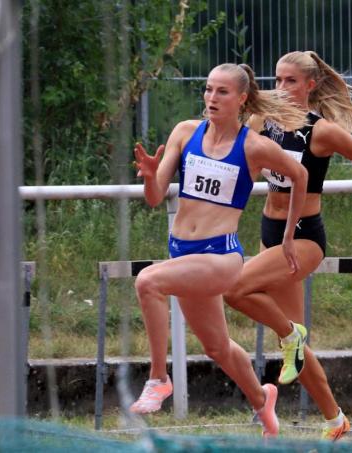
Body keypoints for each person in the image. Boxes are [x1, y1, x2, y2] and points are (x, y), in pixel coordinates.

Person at [129, 63, 309, 438]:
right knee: (217, 348)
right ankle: (263, 401)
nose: (211, 98)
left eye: (221, 92)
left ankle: (158, 378)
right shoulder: (184, 132)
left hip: (220, 256)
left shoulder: (253, 145)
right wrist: (149, 176)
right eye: (208, 90)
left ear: (241, 98)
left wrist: (290, 234)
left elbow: (300, 176)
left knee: (148, 282)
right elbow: (155, 198)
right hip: (184, 253)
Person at [223, 51, 352, 441]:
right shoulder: (261, 121)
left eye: (291, 81)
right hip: (271, 231)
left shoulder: (321, 131)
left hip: (304, 238)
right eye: (277, 80)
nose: (281, 87)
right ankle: (336, 422)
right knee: (293, 346)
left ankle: (290, 338)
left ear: (310, 85)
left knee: (235, 289)